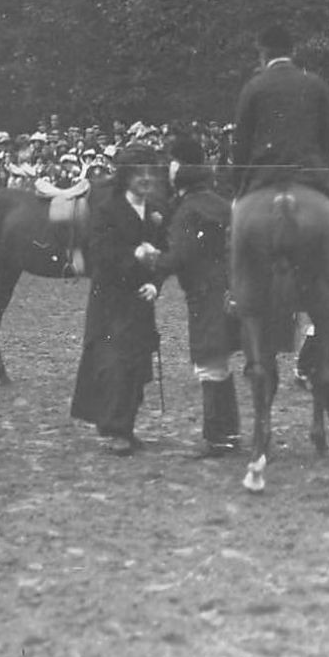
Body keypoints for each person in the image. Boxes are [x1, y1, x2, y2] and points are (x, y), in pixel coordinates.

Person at [232, 23, 329, 310]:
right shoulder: (314, 83)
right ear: (293, 52)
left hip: (265, 174)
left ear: (262, 53)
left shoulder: (253, 86)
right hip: (311, 172)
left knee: (235, 226)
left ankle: (235, 292)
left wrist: (238, 183)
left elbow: (240, 142)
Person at [70, 147, 167, 456]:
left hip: (140, 299)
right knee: (114, 363)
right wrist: (133, 255)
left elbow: (163, 253)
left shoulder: (154, 209)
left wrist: (155, 283)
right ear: (126, 176)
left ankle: (126, 426)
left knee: (138, 363)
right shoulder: (108, 209)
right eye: (139, 173)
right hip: (111, 299)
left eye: (151, 172)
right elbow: (99, 253)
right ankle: (113, 429)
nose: (146, 179)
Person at [155, 137, 241, 457]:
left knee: (209, 364)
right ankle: (228, 433)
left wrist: (151, 258)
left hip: (205, 295)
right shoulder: (220, 204)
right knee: (220, 363)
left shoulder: (187, 211)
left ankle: (218, 436)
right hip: (229, 291)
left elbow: (179, 257)